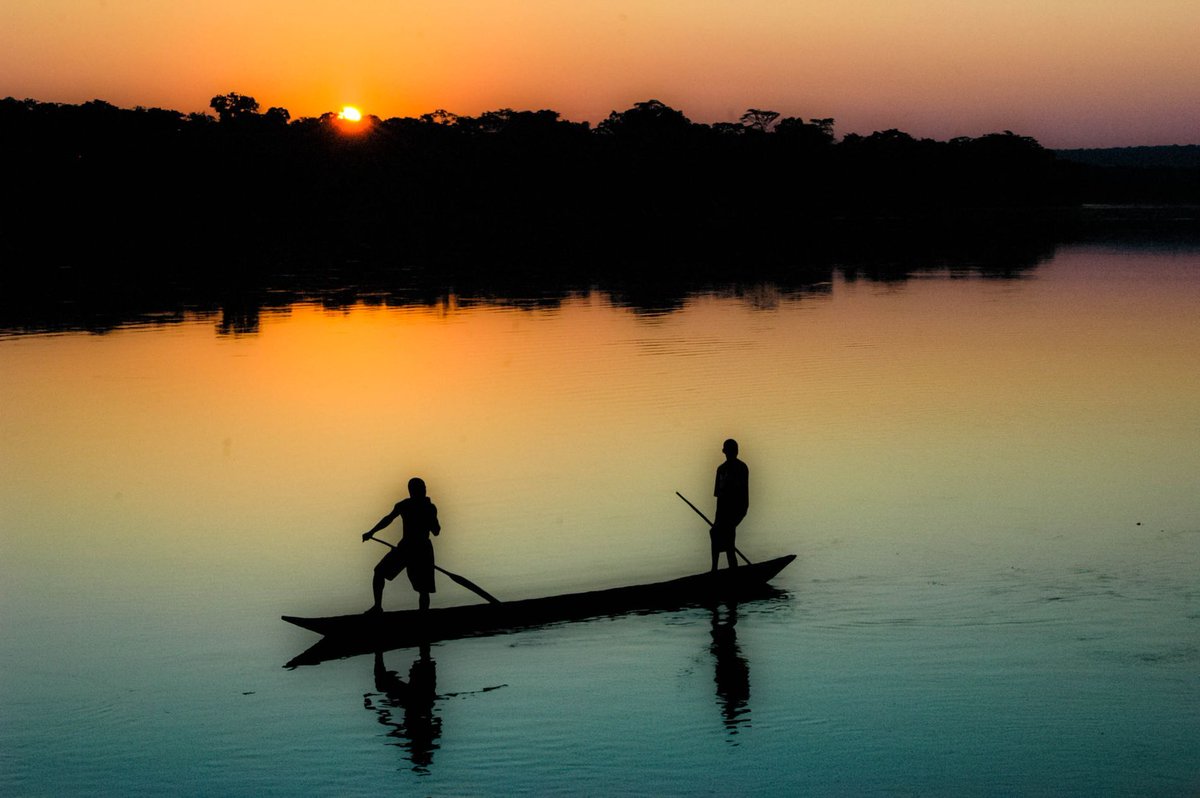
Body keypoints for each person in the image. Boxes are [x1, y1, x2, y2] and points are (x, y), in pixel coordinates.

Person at [362, 477, 441, 612]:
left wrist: (430, 515)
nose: (425, 491)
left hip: (422, 550)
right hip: (406, 548)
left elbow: (436, 531)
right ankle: (377, 607)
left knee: (423, 589)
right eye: (422, 489)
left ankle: (424, 615)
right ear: (413, 491)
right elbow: (388, 519)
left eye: (424, 488)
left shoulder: (429, 507)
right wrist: (372, 532)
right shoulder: (404, 505)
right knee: (379, 572)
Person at [711, 439, 749, 571]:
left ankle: (733, 569)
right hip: (722, 511)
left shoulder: (742, 468)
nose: (730, 455)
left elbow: (743, 494)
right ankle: (714, 569)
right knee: (714, 533)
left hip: (737, 509)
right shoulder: (721, 470)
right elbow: (719, 497)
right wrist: (717, 520)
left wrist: (737, 514)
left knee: (728, 537)